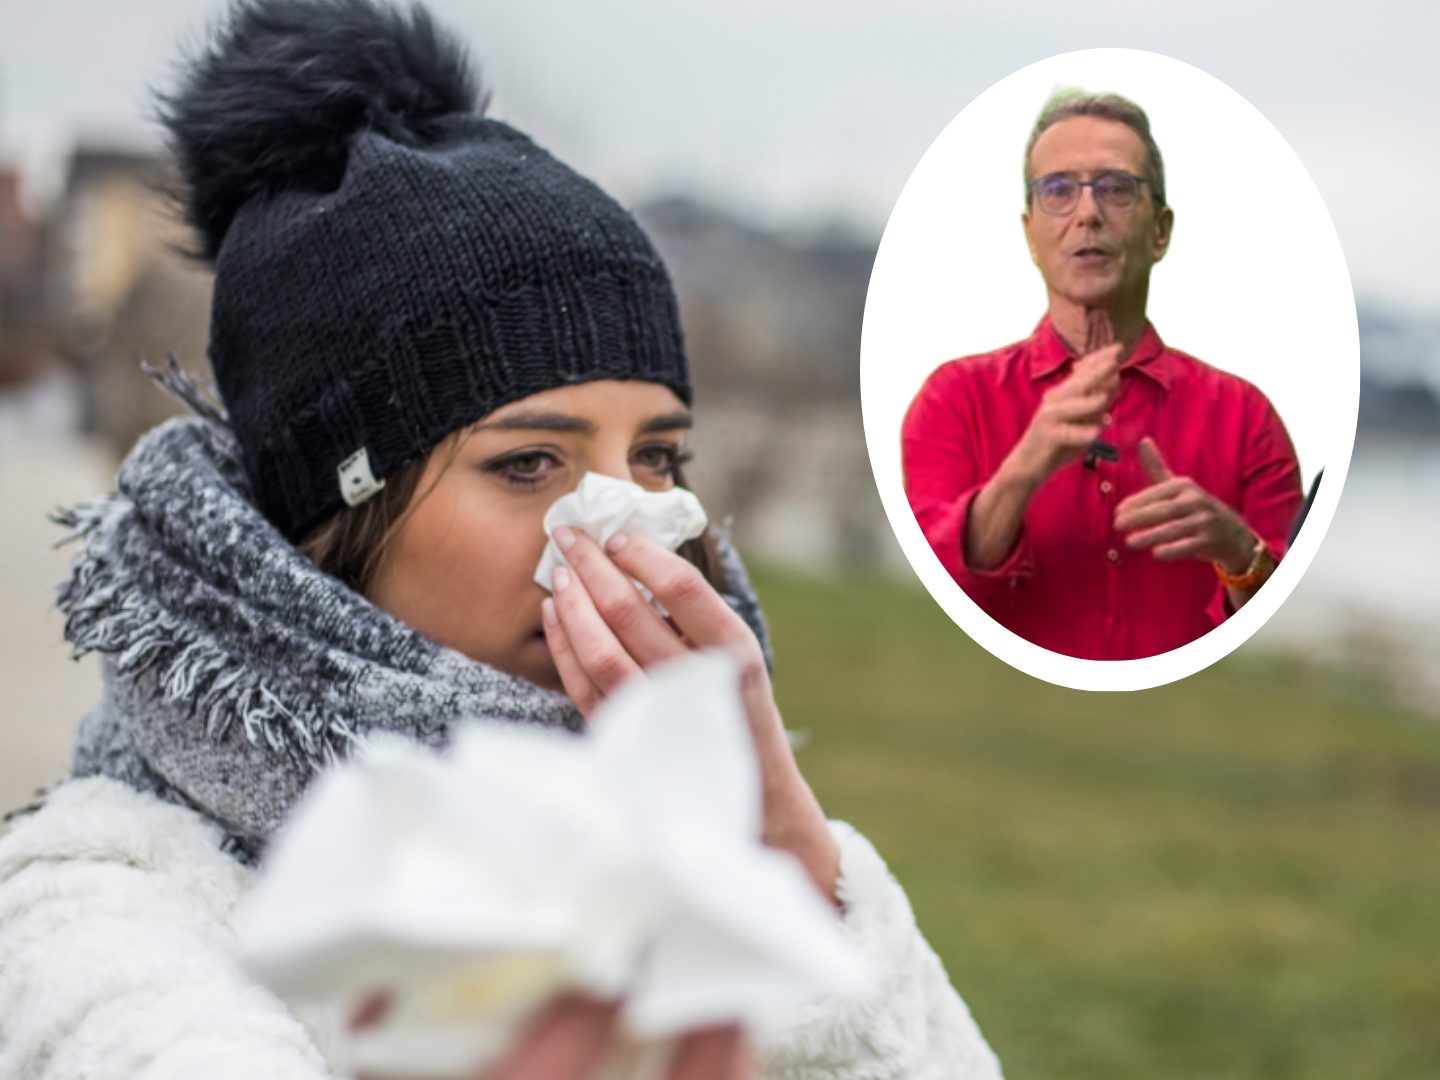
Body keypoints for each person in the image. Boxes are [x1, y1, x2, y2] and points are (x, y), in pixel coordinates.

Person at [0, 2, 1003, 1078]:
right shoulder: (104, 921)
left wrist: (793, 869)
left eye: (658, 457)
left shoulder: (706, 850)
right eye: (529, 463)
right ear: (331, 518)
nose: (627, 527)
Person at [901, 89, 1303, 661]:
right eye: (1059, 190)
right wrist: (1025, 468)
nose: (1087, 213)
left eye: (1116, 189)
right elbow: (929, 605)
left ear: (1160, 231)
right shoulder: (952, 400)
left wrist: (1239, 553)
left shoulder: (1248, 420)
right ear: (1030, 235)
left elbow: (1283, 653)